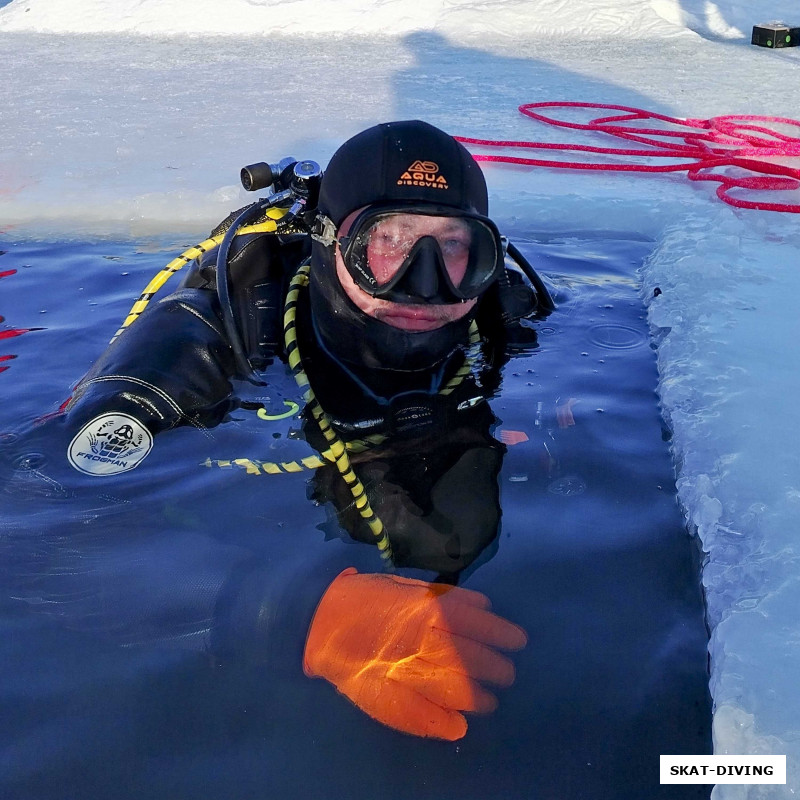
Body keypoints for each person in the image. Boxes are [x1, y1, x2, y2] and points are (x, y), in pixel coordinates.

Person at [2, 120, 552, 741]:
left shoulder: (499, 306)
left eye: (453, 247)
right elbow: (26, 519)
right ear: (328, 242)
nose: (424, 284)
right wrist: (282, 610)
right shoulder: (201, 341)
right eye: (388, 241)